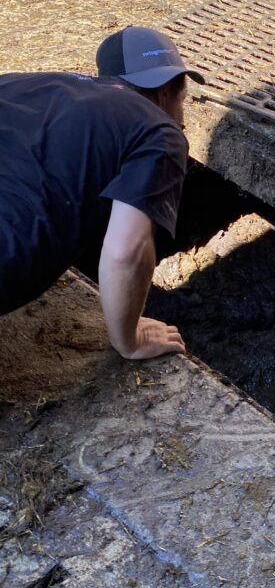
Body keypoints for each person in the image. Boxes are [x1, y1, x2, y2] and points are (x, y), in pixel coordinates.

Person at [0, 27, 204, 361]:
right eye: (183, 105)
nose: (182, 123)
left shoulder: (23, 83)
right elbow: (126, 251)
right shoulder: (159, 131)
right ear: (168, 91)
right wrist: (130, 339)